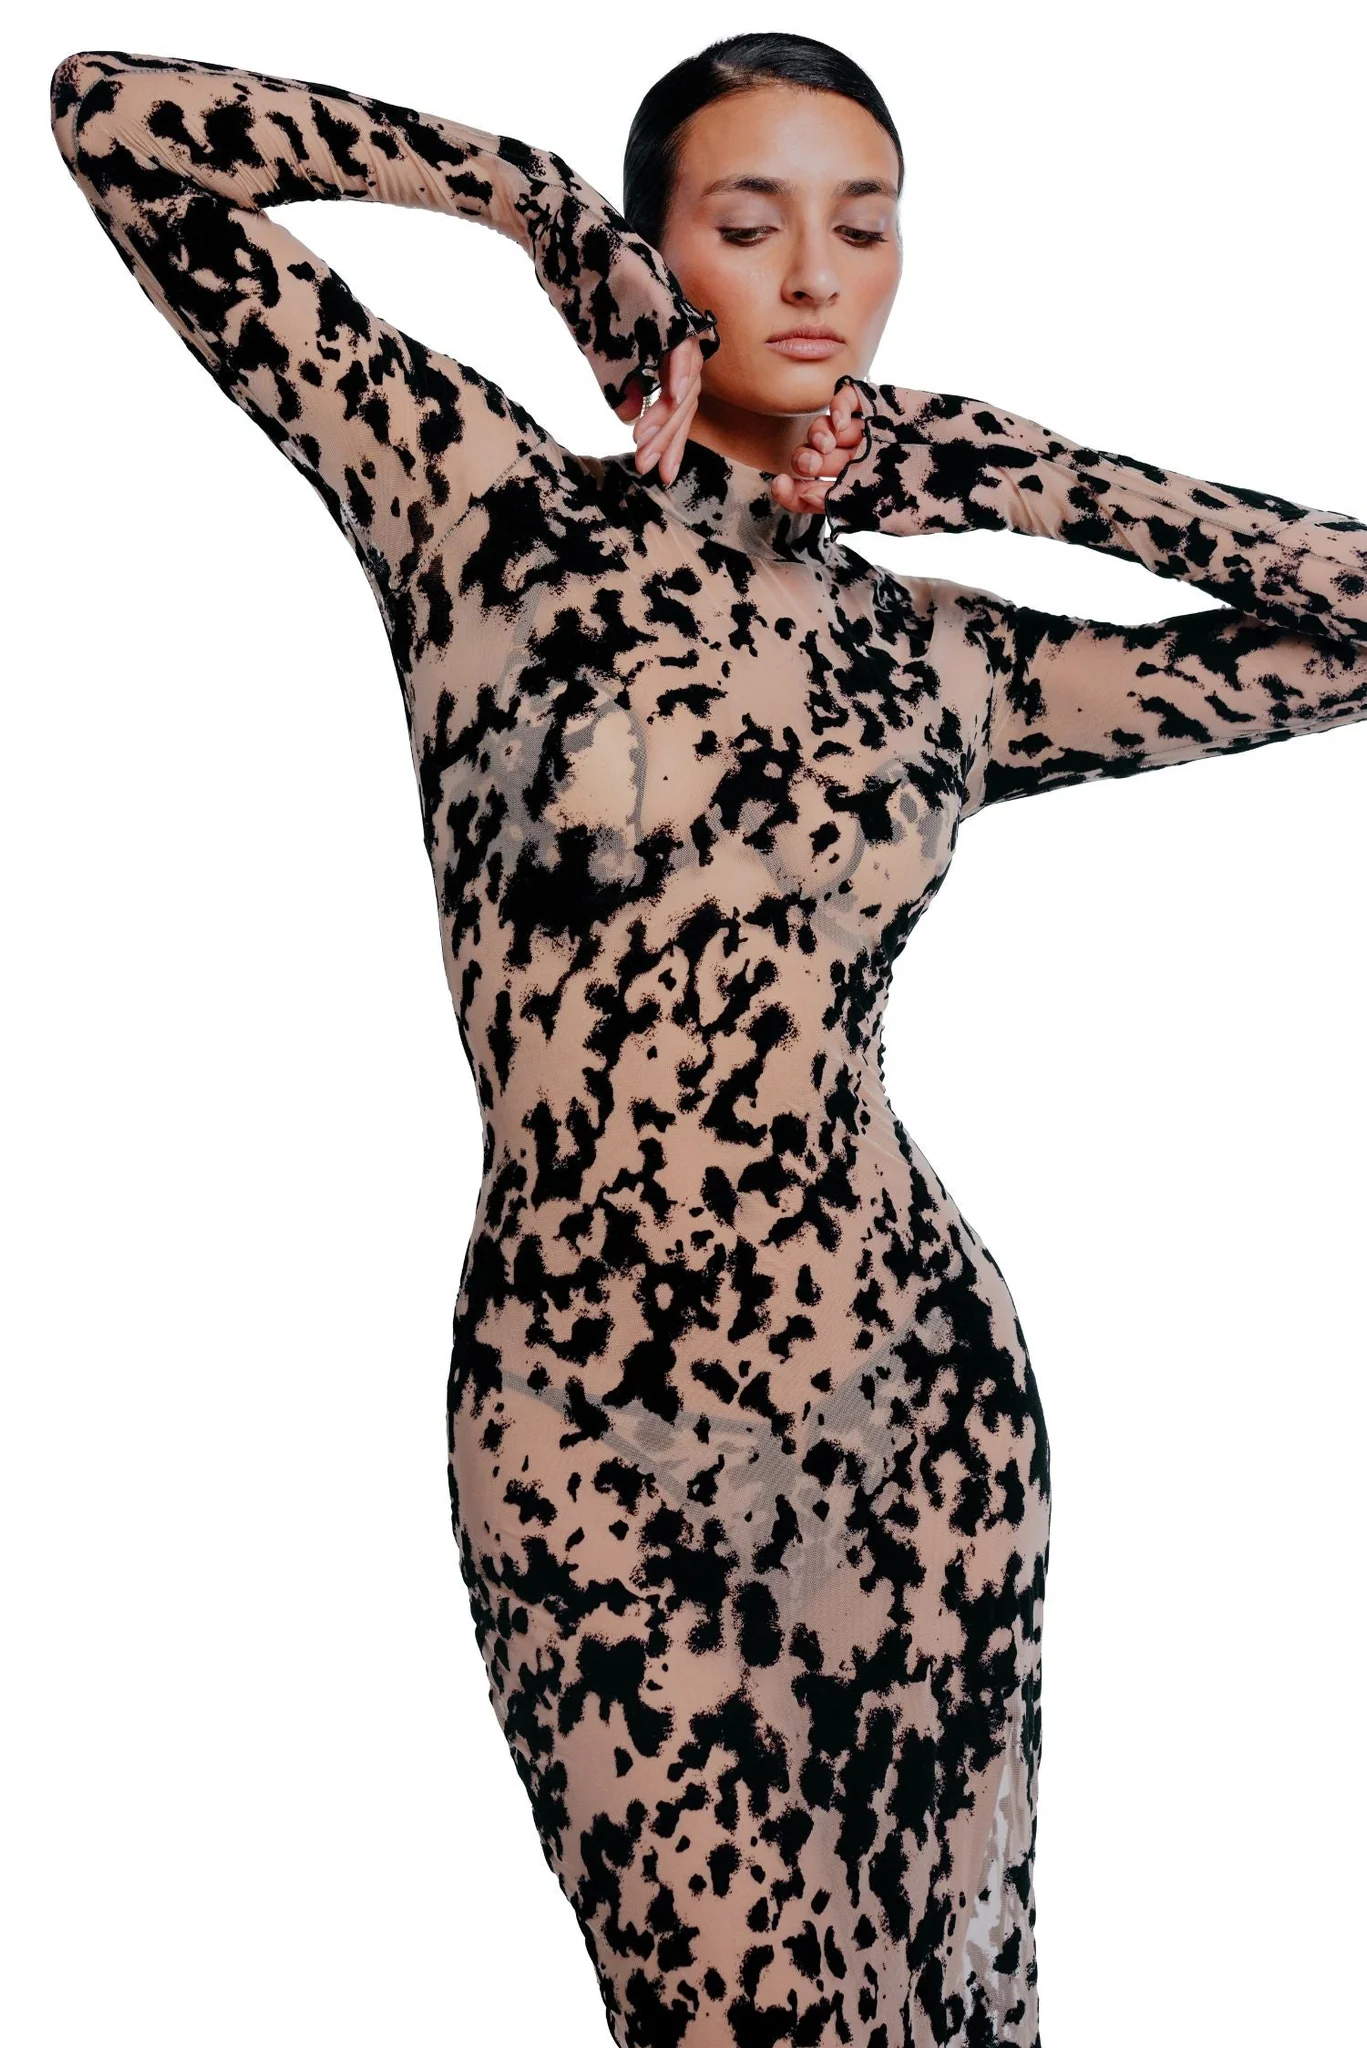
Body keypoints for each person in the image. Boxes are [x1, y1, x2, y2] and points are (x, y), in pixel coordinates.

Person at [48, 32, 1366, 2048]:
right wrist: (522, 202)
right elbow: (115, 126)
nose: (816, 276)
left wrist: (1001, 470)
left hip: (913, 1411)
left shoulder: (931, 657)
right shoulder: (480, 512)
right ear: (657, 253)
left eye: (864, 226)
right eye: (747, 226)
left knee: (958, 2018)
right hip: (592, 1440)